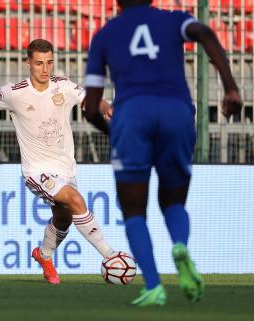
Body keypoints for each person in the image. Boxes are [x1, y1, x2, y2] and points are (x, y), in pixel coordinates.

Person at [84, 0, 242, 306]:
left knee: (134, 211)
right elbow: (205, 33)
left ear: (117, 2)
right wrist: (231, 88)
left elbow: (91, 107)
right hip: (177, 113)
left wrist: (114, 132)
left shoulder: (105, 34)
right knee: (173, 201)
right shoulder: (174, 21)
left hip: (132, 116)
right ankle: (180, 246)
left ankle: (154, 285)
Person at [0, 39, 116, 284]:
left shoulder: (62, 86)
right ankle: (111, 256)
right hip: (36, 171)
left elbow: (90, 101)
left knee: (63, 218)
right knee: (75, 200)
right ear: (28, 63)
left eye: (49, 62)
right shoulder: (14, 93)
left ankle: (44, 256)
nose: (45, 69)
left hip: (66, 168)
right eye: (39, 63)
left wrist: (106, 107)